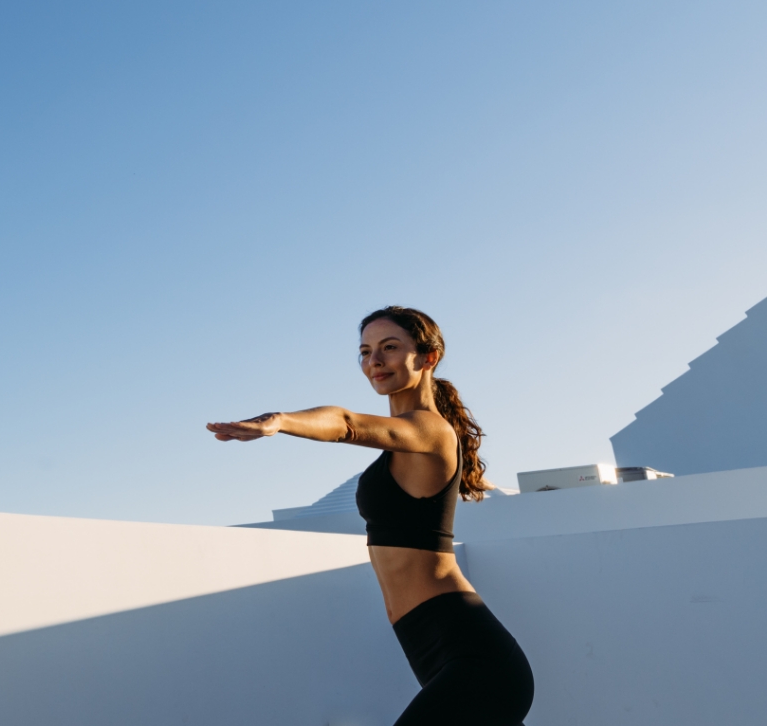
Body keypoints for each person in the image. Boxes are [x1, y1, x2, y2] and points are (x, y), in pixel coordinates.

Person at [207, 306, 533, 725]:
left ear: (428, 357)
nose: (374, 361)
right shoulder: (404, 441)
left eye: (389, 347)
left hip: (473, 656)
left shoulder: (432, 431)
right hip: (430, 649)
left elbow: (346, 423)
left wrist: (281, 421)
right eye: (365, 351)